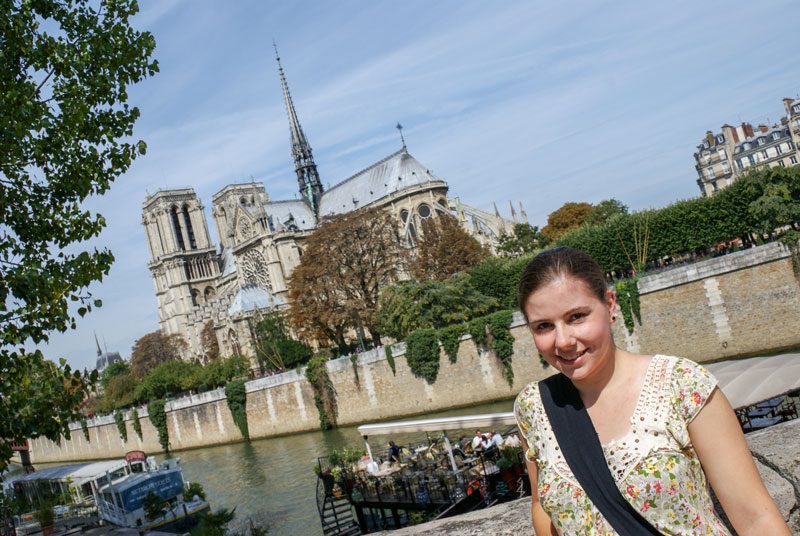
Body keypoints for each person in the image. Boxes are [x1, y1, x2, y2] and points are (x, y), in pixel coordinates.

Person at [514, 247, 790, 535]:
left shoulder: (682, 385)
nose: (564, 340)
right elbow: (541, 506)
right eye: (544, 326)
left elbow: (756, 518)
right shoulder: (534, 408)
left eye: (577, 317)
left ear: (610, 305)